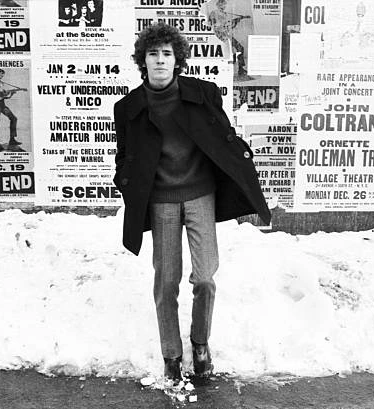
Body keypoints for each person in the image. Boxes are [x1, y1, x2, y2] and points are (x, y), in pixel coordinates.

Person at [112, 23, 270, 382]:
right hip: (162, 201)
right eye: (153, 54)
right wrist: (125, 181)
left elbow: (223, 138)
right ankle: (171, 355)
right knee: (166, 282)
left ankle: (200, 344)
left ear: (177, 60)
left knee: (206, 278)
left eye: (167, 54)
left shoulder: (204, 94)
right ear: (143, 61)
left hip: (200, 195)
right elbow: (125, 156)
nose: (160, 61)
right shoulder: (128, 108)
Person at [206, 0, 252, 78]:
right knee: (228, 53)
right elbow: (212, 24)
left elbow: (229, 27)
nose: (223, 6)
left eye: (224, 5)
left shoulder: (225, 14)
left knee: (240, 48)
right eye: (221, 4)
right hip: (219, 36)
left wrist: (237, 20)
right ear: (218, 5)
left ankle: (241, 69)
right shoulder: (214, 13)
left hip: (226, 35)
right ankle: (224, 71)